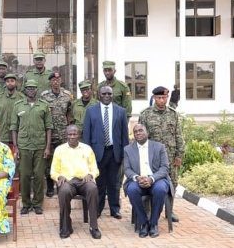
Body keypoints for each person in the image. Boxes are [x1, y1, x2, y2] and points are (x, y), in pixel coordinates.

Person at [138, 85, 185, 223]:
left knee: (173, 183)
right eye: (158, 97)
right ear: (154, 98)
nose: (161, 100)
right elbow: (140, 137)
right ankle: (150, 210)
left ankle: (169, 211)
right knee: (151, 182)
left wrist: (179, 155)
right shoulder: (145, 114)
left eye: (164, 97)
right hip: (152, 158)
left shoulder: (173, 114)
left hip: (170, 156)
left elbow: (179, 136)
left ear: (167, 98)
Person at [82, 85, 129, 219]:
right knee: (100, 183)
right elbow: (86, 134)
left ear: (112, 95)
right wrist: (87, 154)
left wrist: (125, 154)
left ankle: (115, 209)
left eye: (109, 94)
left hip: (115, 152)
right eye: (104, 94)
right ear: (99, 95)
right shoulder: (91, 111)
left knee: (114, 183)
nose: (107, 96)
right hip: (97, 153)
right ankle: (98, 208)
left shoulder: (121, 111)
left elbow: (124, 135)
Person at [51, 125, 101, 239]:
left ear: (79, 135)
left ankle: (94, 227)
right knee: (63, 191)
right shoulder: (59, 150)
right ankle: (66, 226)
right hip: (68, 181)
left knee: (93, 189)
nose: (72, 137)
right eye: (69, 134)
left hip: (84, 180)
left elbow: (95, 168)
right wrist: (59, 177)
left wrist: (91, 174)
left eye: (74, 134)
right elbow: (53, 171)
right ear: (66, 135)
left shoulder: (87, 149)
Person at [11, 79, 52, 215]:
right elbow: (14, 128)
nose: (31, 90)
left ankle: (38, 204)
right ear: (25, 90)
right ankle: (26, 204)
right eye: (28, 88)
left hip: (40, 146)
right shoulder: (18, 106)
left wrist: (47, 147)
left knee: (39, 176)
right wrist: (16, 147)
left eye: (33, 88)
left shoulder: (44, 106)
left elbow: (48, 127)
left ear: (37, 90)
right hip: (24, 146)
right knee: (24, 176)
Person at [123, 123, 172, 238]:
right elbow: (127, 169)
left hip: (156, 179)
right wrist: (137, 177)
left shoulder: (159, 147)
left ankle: (154, 223)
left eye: (141, 130)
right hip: (138, 180)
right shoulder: (128, 149)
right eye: (135, 131)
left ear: (147, 132)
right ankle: (144, 222)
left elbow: (165, 168)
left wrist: (151, 178)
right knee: (131, 190)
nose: (138, 133)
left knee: (160, 189)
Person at [40, 71, 73, 197]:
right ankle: (49, 187)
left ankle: (61, 186)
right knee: (48, 162)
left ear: (60, 81)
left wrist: (69, 130)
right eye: (53, 80)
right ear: (50, 82)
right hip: (49, 134)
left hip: (63, 135)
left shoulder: (67, 95)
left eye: (58, 80)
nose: (56, 82)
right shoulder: (44, 96)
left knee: (63, 162)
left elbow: (69, 114)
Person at [0, 73, 23, 147]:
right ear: (5, 83)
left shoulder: (22, 98)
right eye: (8, 81)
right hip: (3, 136)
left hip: (18, 136)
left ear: (16, 83)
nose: (10, 83)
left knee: (16, 158)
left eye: (12, 81)